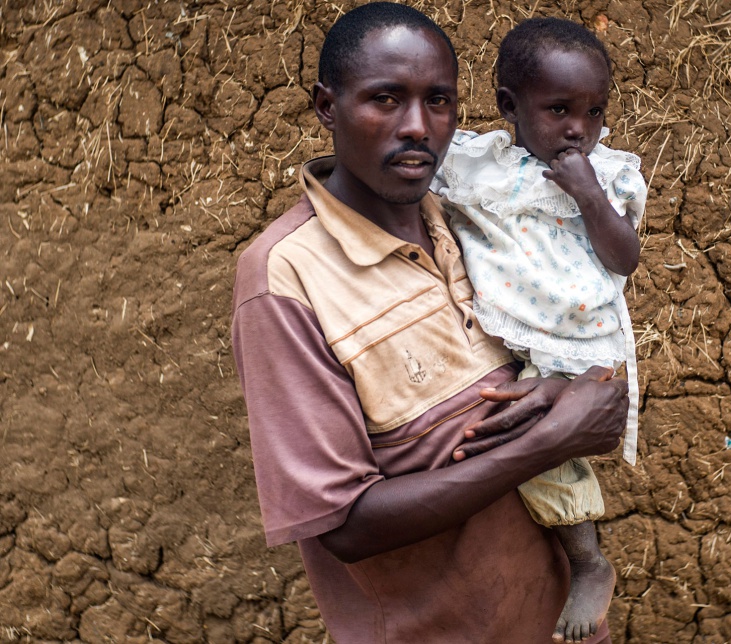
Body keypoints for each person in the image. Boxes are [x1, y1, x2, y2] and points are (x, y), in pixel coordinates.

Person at [230, 4, 628, 643]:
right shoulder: (287, 278)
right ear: (327, 106)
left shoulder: (479, 226)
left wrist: (563, 396)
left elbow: (569, 380)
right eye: (385, 99)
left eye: (438, 101)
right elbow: (345, 527)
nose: (418, 127)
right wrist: (552, 441)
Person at [432, 17, 647, 643]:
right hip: (506, 334)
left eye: (595, 111)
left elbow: (624, 258)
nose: (580, 127)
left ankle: (588, 562)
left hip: (578, 343)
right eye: (559, 109)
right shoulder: (477, 164)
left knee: (536, 440)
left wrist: (591, 199)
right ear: (508, 106)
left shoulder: (607, 174)